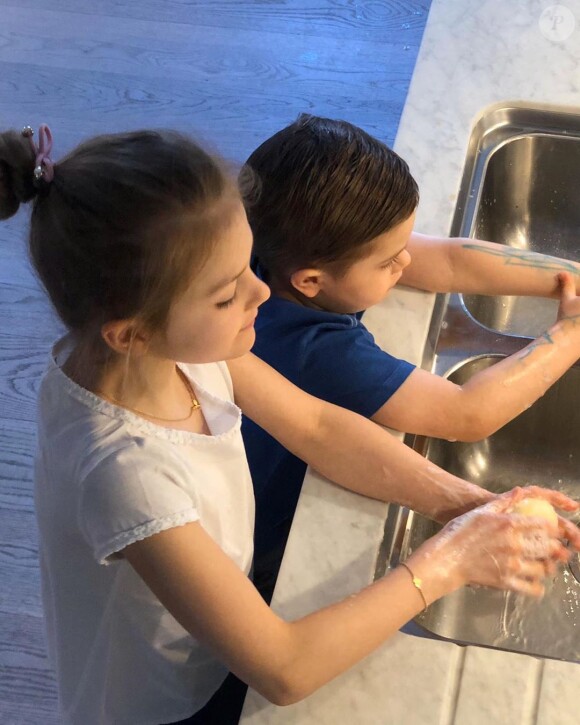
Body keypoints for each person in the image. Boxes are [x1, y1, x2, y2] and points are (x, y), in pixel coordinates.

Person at [1, 125, 577, 725]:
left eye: (247, 262)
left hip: (212, 639)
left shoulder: (174, 350)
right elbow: (283, 667)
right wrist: (447, 562)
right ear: (132, 332)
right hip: (161, 704)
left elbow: (317, 428)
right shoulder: (127, 473)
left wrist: (464, 502)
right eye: (227, 294)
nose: (260, 291)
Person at [242, 113, 580, 602]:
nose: (405, 263)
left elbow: (447, 259)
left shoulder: (281, 246)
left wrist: (572, 277)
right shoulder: (313, 350)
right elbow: (467, 414)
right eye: (387, 260)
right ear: (311, 281)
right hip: (273, 528)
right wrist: (568, 337)